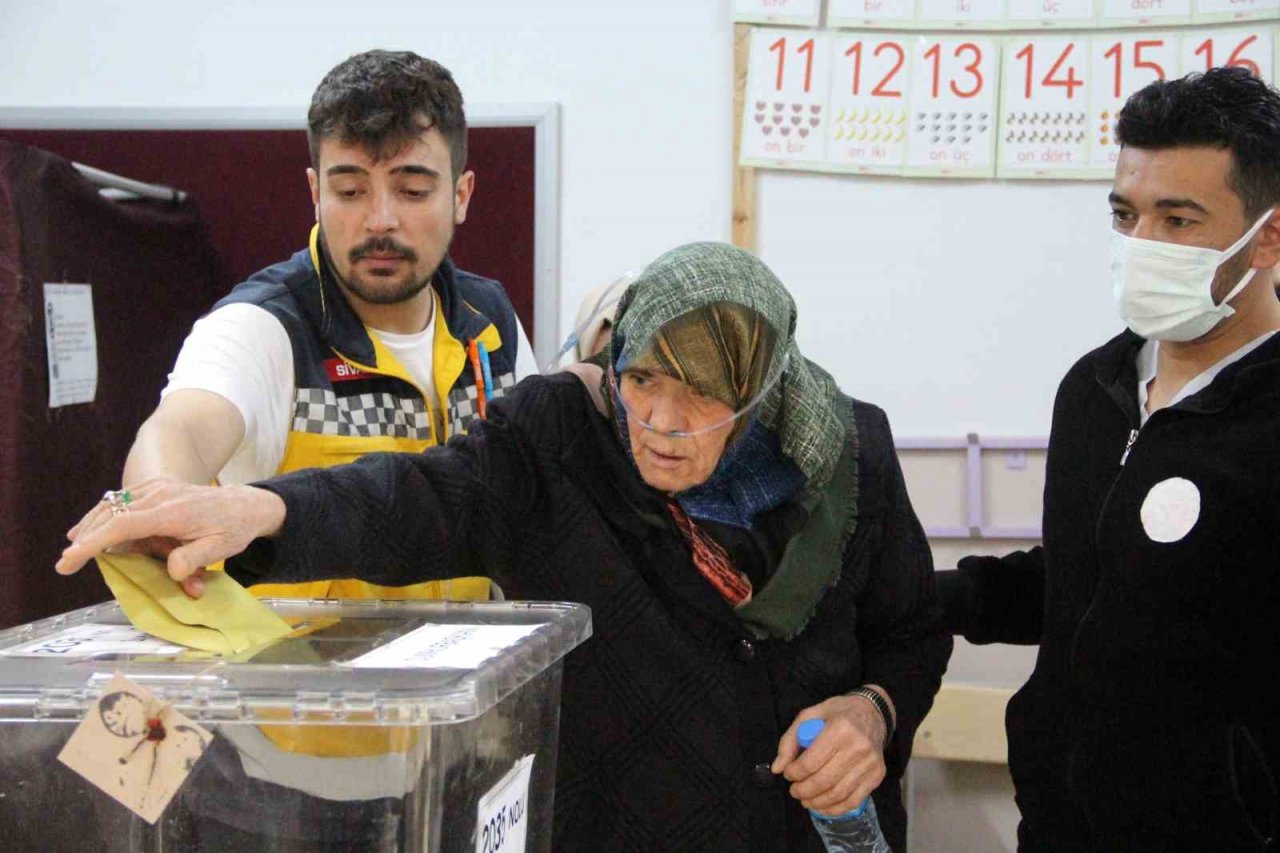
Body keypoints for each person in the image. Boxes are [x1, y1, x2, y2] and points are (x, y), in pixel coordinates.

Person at [61, 241, 951, 852]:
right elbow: (413, 500)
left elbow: (912, 631)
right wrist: (257, 512)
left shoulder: (854, 456)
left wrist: (874, 710)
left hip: (810, 832)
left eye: (705, 396)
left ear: (762, 390)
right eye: (644, 378)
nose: (662, 422)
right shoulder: (562, 438)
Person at [940, 67, 1280, 851]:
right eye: (1125, 214)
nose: (1141, 245)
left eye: (1178, 219)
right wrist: (920, 595)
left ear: (1268, 235)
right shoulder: (1094, 388)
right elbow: (1089, 582)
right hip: (1057, 828)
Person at [122, 49, 538, 602]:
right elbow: (181, 430)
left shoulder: (490, 322)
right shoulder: (261, 326)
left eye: (412, 191)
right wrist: (158, 503)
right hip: (297, 661)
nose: (380, 220)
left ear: (460, 196)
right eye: (350, 192)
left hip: (469, 657)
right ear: (316, 192)